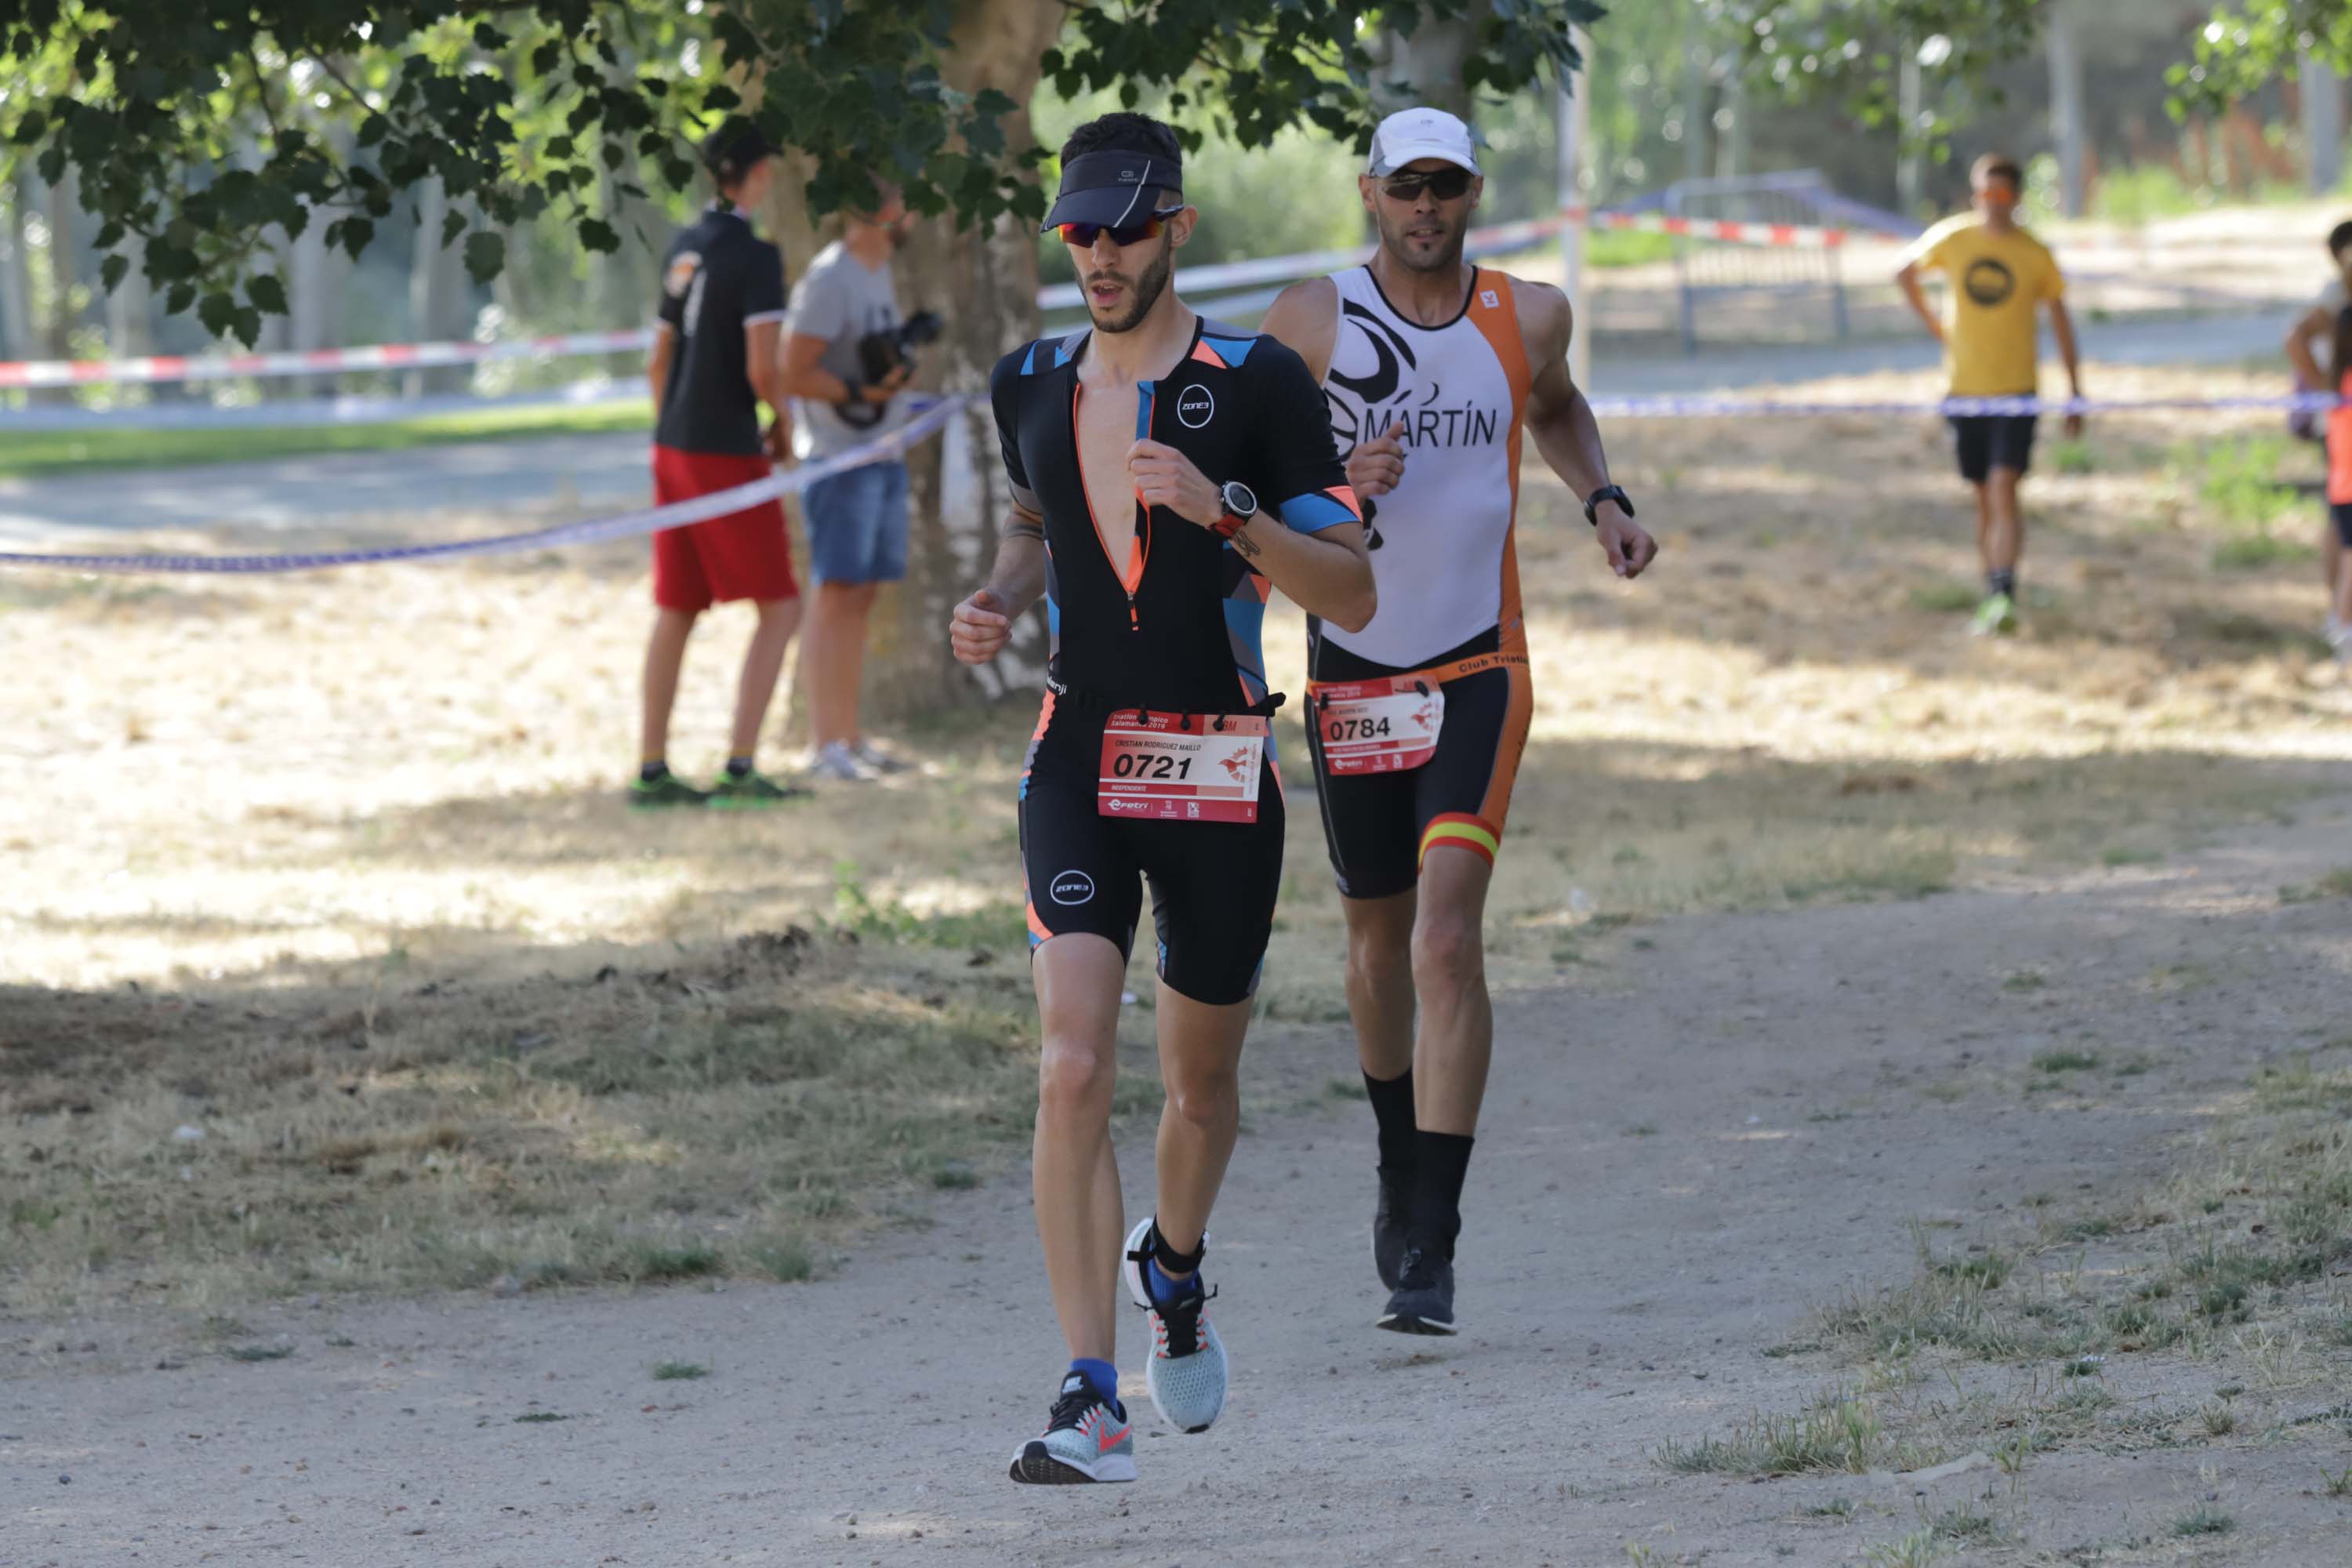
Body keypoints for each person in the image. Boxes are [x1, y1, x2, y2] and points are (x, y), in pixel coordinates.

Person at [950, 111, 1375, 1485]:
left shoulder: (1258, 381)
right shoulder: (1028, 379)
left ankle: (1174, 1270)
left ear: (1177, 225)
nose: (1101, 253)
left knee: (1199, 1092)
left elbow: (1350, 585)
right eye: (1079, 231)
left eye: (1126, 227)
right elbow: (1038, 521)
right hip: (1079, 755)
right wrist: (1000, 600)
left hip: (1217, 765)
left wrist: (1221, 509)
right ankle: (1087, 1392)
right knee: (1070, 1063)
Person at [1259, 105, 1658, 1338]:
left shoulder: (1527, 315)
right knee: (1376, 949)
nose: (1426, 207)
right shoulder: (1311, 318)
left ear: (1475, 192)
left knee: (1442, 941)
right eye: (1405, 187)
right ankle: (1397, 1155)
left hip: (1480, 666)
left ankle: (1433, 1236)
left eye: (1447, 187)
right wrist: (1335, 487)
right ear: (1370, 192)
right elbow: (1251, 483)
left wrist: (1605, 496)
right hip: (1352, 675)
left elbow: (1554, 407)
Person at [635, 118, 807, 808]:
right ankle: (740, 766)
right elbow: (762, 366)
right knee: (782, 607)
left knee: (677, 607)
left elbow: (657, 359)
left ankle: (651, 769)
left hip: (671, 444)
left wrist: (669, 424)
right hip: (722, 450)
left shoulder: (684, 245)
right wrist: (783, 423)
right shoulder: (758, 256)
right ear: (757, 173)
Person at [1894, 152, 2082, 637]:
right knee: (1985, 498)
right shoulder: (1954, 238)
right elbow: (1904, 271)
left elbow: (2060, 318)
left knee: (2004, 488)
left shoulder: (2035, 254)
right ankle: (1992, 592)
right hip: (1964, 390)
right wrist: (1936, 325)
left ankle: (2004, 592)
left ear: (2017, 198)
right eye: (1986, 195)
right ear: (1976, 194)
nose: (1994, 205)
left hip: (2016, 392)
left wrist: (2075, 390)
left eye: (2003, 196)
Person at [781, 183, 918, 782]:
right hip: (839, 461)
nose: (911, 213)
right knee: (834, 593)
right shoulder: (830, 278)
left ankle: (850, 736)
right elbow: (792, 371)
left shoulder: (877, 271)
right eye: (901, 201)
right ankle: (823, 745)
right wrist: (862, 393)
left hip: (882, 456)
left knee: (861, 597)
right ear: (875, 211)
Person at [2281, 218, 2352, 648]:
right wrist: (2326, 389)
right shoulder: (2338, 300)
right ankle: (2340, 619)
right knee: (2344, 531)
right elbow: (2296, 338)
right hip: (2344, 431)